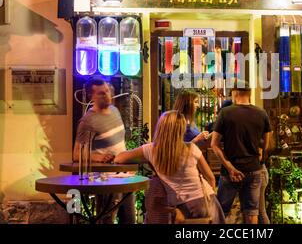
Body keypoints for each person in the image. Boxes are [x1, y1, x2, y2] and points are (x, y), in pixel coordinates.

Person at [114, 110, 225, 224]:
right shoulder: (191, 148)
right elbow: (210, 177)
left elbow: (119, 158)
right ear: (181, 130)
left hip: (183, 205)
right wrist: (210, 197)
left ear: (161, 127)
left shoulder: (151, 150)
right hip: (208, 201)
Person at [73, 78, 135, 224]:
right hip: (106, 178)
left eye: (107, 91)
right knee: (107, 218)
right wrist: (97, 157)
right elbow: (76, 154)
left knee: (129, 219)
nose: (107, 95)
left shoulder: (115, 111)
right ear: (91, 96)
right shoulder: (88, 121)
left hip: (125, 176)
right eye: (101, 93)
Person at [211, 82, 272, 224]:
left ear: (235, 93)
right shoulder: (261, 113)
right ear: (249, 94)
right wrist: (259, 152)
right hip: (254, 169)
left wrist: (230, 167)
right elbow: (266, 143)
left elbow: (214, 144)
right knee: (252, 213)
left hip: (231, 172)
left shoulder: (225, 113)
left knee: (220, 212)